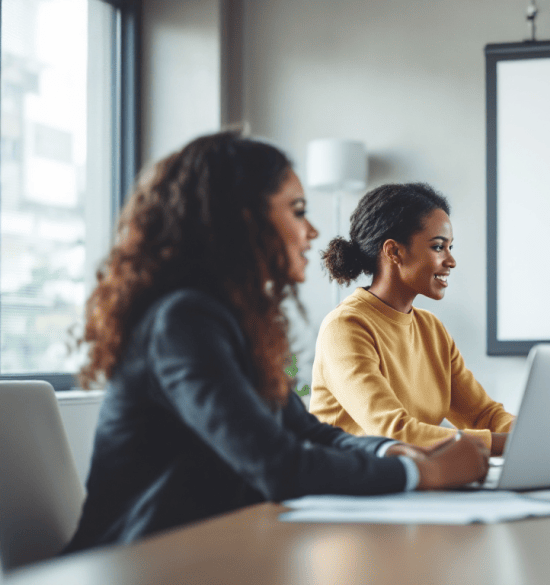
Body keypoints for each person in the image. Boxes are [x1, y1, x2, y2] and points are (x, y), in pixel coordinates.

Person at [64, 132, 488, 553]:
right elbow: (277, 464)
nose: (312, 231)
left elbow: (308, 432)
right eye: (298, 211)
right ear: (243, 218)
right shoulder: (182, 322)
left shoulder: (239, 322)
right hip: (136, 561)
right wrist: (423, 474)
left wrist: (393, 451)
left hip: (213, 552)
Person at [311, 183, 514, 454]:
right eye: (438, 247)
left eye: (450, 247)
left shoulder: (432, 329)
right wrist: (511, 445)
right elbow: (394, 432)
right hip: (349, 478)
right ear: (394, 252)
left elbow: (484, 415)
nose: (451, 261)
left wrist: (532, 435)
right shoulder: (344, 327)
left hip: (414, 474)